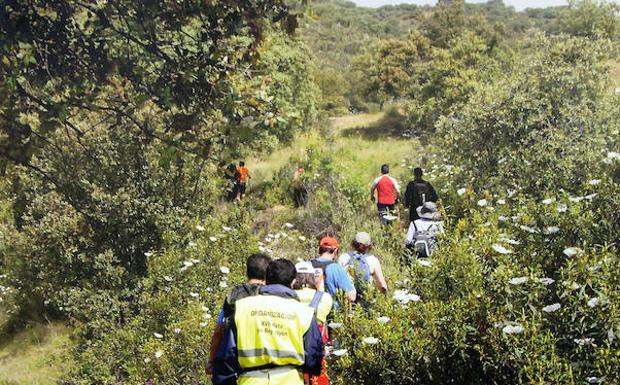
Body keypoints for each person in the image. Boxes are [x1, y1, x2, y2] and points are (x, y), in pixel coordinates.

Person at [213, 259, 325, 385]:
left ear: (266, 279)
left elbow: (225, 358)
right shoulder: (304, 312)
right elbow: (314, 359)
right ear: (293, 282)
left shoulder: (241, 308)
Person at [206, 253, 272, 375]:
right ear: (268, 273)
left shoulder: (234, 295)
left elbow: (218, 331)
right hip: (265, 364)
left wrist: (211, 361)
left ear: (247, 271)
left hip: (234, 360)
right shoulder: (271, 295)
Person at [293, 261, 333, 385]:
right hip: (317, 347)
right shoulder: (325, 298)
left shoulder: (290, 297)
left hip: (295, 348)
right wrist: (319, 287)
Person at [338, 232, 388, 299]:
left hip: (346, 299)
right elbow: (382, 285)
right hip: (364, 301)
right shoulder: (372, 260)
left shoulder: (343, 257)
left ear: (353, 243)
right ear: (368, 246)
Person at [310, 236, 356, 305]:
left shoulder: (306, 265)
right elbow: (351, 297)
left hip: (308, 312)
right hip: (330, 312)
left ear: (319, 249)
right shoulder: (337, 268)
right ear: (335, 251)